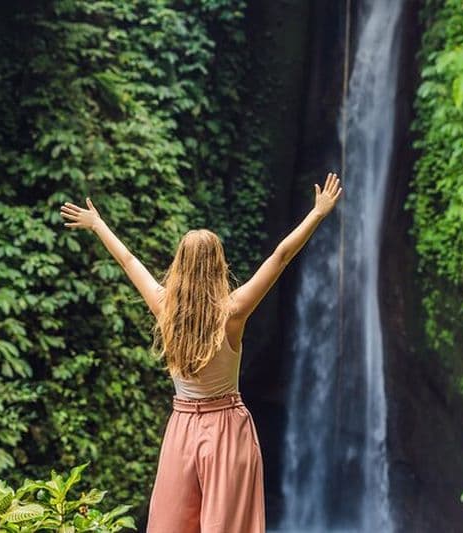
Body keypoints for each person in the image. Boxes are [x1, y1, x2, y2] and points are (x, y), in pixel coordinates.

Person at [59, 172, 343, 532]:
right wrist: (317, 213)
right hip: (226, 427)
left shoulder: (165, 308)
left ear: (180, 266)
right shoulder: (233, 312)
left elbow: (130, 261)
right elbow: (281, 256)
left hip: (182, 427)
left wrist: (98, 224)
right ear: (219, 266)